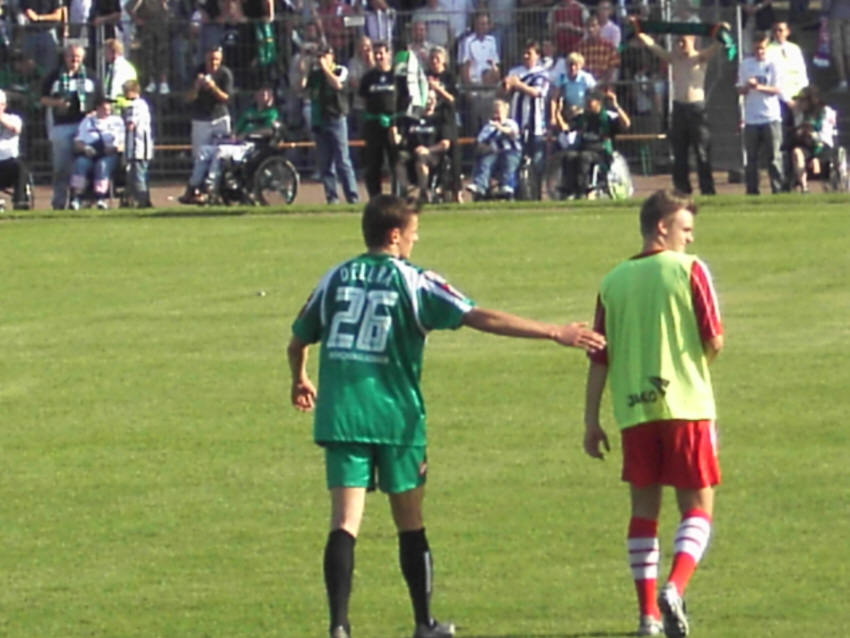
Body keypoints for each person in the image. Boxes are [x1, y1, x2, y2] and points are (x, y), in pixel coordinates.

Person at [288, 193, 605, 638]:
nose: (415, 241)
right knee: (409, 522)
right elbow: (478, 316)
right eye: (413, 233)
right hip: (396, 418)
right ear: (394, 235)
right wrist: (553, 331)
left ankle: (339, 627)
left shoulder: (335, 277)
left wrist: (300, 378)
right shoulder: (415, 281)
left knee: (344, 522)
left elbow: (298, 340)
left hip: (343, 416)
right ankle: (424, 623)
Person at [583, 189, 723, 638]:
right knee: (697, 507)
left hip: (634, 411)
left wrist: (591, 420)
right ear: (662, 227)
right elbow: (714, 338)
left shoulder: (612, 281)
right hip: (687, 407)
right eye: (685, 228)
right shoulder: (689, 269)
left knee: (644, 511)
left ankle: (647, 618)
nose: (690, 237)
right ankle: (675, 587)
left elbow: (599, 356)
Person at [636, 28, 726, 195]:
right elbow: (654, 47)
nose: (680, 45)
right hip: (679, 108)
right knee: (679, 153)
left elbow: (716, 45)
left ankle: (707, 189)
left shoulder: (700, 57)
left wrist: (722, 32)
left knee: (702, 152)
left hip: (696, 108)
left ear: (693, 40)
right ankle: (682, 189)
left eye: (683, 41)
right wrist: (640, 32)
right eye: (678, 41)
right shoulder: (674, 59)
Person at [179, 85, 279, 204]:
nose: (264, 97)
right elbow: (236, 129)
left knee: (221, 151)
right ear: (256, 96)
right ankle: (192, 186)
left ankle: (210, 187)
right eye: (262, 94)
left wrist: (247, 134)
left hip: (252, 146)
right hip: (237, 144)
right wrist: (233, 135)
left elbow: (269, 130)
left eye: (267, 95)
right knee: (204, 150)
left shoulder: (272, 113)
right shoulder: (249, 112)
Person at [40, 43, 101, 210]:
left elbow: (100, 100)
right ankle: (59, 202)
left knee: (82, 164)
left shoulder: (91, 76)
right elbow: (42, 99)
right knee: (61, 167)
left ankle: (79, 199)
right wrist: (57, 103)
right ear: (65, 57)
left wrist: (93, 113)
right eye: (71, 57)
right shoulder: (54, 76)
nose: (74, 60)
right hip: (62, 125)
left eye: (78, 57)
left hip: (84, 127)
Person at [302, 44, 360, 205]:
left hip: (336, 118)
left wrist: (325, 68)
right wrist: (305, 68)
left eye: (324, 56)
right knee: (325, 163)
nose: (321, 59)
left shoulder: (340, 70)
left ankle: (352, 196)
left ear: (331, 56)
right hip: (319, 120)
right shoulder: (315, 74)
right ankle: (332, 197)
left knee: (343, 161)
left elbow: (337, 84)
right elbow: (301, 87)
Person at [555, 87, 629, 199]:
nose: (588, 103)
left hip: (601, 151)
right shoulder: (582, 117)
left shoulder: (607, 116)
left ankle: (585, 188)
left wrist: (616, 105)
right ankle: (569, 188)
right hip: (583, 148)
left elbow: (626, 124)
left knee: (585, 157)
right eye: (587, 100)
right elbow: (566, 128)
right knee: (569, 156)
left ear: (598, 102)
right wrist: (557, 113)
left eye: (591, 101)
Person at [737, 31, 784, 195]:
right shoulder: (746, 65)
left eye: (763, 48)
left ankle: (778, 189)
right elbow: (739, 89)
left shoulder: (774, 64)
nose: (760, 52)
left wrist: (758, 86)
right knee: (751, 158)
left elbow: (777, 89)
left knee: (774, 157)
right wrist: (747, 87)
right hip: (751, 118)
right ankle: (752, 190)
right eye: (757, 48)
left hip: (771, 116)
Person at [503, 39, 550, 180]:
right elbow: (504, 92)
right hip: (516, 123)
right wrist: (505, 85)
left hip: (536, 124)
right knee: (515, 158)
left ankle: (538, 188)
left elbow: (537, 92)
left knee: (537, 162)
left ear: (537, 55)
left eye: (529, 53)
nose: (525, 56)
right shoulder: (514, 71)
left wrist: (517, 84)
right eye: (524, 53)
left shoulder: (542, 74)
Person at [69, 96, 125, 210]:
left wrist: (113, 149)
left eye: (109, 108)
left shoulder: (117, 121)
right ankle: (77, 197)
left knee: (102, 165)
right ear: (98, 108)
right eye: (104, 108)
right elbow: (77, 142)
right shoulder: (87, 121)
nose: (107, 110)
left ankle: (101, 197)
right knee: (80, 164)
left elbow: (122, 144)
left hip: (109, 154)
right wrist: (85, 148)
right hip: (89, 153)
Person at [358, 41, 398, 198]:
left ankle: (397, 197)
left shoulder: (397, 76)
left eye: (382, 53)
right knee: (373, 164)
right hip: (374, 125)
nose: (379, 57)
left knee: (397, 162)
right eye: (376, 54)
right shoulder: (368, 77)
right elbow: (363, 100)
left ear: (389, 54)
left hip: (394, 125)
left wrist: (395, 121)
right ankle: (375, 199)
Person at [399, 89, 451, 201]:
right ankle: (406, 191)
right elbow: (402, 138)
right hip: (413, 152)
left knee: (421, 158)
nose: (430, 102)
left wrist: (428, 150)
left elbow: (445, 144)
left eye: (433, 99)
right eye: (428, 99)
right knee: (399, 157)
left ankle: (424, 192)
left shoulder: (439, 119)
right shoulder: (411, 119)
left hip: (433, 154)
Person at [425, 46, 461, 202]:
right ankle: (434, 188)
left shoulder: (449, 77)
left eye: (437, 59)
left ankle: (456, 191)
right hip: (428, 119)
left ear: (444, 61)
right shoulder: (424, 76)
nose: (434, 61)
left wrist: (436, 88)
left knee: (453, 153)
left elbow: (453, 100)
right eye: (432, 58)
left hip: (446, 118)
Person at [466, 98, 521, 199]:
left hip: (511, 152)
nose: (496, 115)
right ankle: (480, 186)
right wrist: (484, 147)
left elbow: (511, 132)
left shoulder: (511, 123)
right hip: (494, 153)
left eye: (498, 112)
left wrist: (500, 128)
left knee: (509, 162)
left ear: (505, 112)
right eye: (494, 113)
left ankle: (507, 185)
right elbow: (480, 141)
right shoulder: (488, 126)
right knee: (485, 161)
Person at [186, 45, 234, 161]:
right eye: (211, 59)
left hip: (220, 118)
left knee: (222, 154)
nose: (213, 63)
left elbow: (227, 99)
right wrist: (197, 87)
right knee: (200, 156)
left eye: (216, 59)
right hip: (200, 119)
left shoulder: (225, 73)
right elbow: (187, 98)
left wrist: (214, 88)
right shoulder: (196, 72)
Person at [788, 85, 837, 193]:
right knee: (796, 152)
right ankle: (804, 187)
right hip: (806, 145)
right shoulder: (799, 114)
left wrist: (815, 155)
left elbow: (825, 136)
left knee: (821, 151)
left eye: (802, 100)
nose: (799, 103)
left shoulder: (826, 112)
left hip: (823, 145)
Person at [122, 79, 154, 208]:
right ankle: (130, 199)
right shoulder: (143, 104)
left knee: (138, 175)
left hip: (138, 147)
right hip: (140, 146)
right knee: (135, 175)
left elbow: (131, 124)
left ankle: (143, 201)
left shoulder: (135, 105)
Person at [0, 89, 29, 209]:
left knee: (19, 166)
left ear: (4, 105)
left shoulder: (13, 118)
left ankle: (19, 202)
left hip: (8, 163)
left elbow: (15, 130)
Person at [550, 51, 596, 125]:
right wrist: (553, 117)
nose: (572, 68)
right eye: (570, 65)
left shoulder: (586, 78)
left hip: (584, 113)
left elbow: (594, 97)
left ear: (581, 66)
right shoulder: (561, 78)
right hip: (567, 113)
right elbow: (554, 99)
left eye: (576, 65)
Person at [576, 14, 620, 84]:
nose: (591, 29)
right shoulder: (580, 47)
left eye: (593, 26)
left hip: (604, 84)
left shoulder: (608, 45)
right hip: (584, 84)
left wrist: (601, 82)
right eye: (588, 26)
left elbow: (613, 65)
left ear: (599, 27)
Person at [102, 39, 138, 108]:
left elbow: (114, 89)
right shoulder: (113, 67)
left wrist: (108, 104)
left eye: (106, 51)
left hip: (122, 106)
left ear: (113, 52)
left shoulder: (121, 68)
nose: (104, 55)